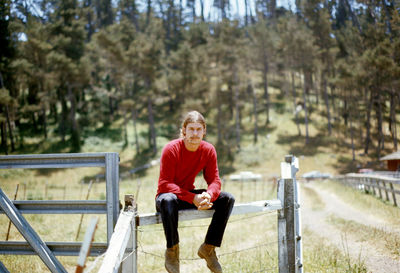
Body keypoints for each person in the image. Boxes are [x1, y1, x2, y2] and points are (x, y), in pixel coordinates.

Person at [156, 111, 235, 273]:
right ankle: (172, 251)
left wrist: (208, 195)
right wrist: (193, 198)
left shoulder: (208, 150)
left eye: (199, 129)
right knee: (168, 200)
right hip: (167, 197)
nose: (195, 133)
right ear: (184, 130)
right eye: (191, 129)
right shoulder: (171, 149)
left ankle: (208, 248)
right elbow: (165, 184)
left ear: (204, 130)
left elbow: (215, 180)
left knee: (227, 198)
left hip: (189, 195)